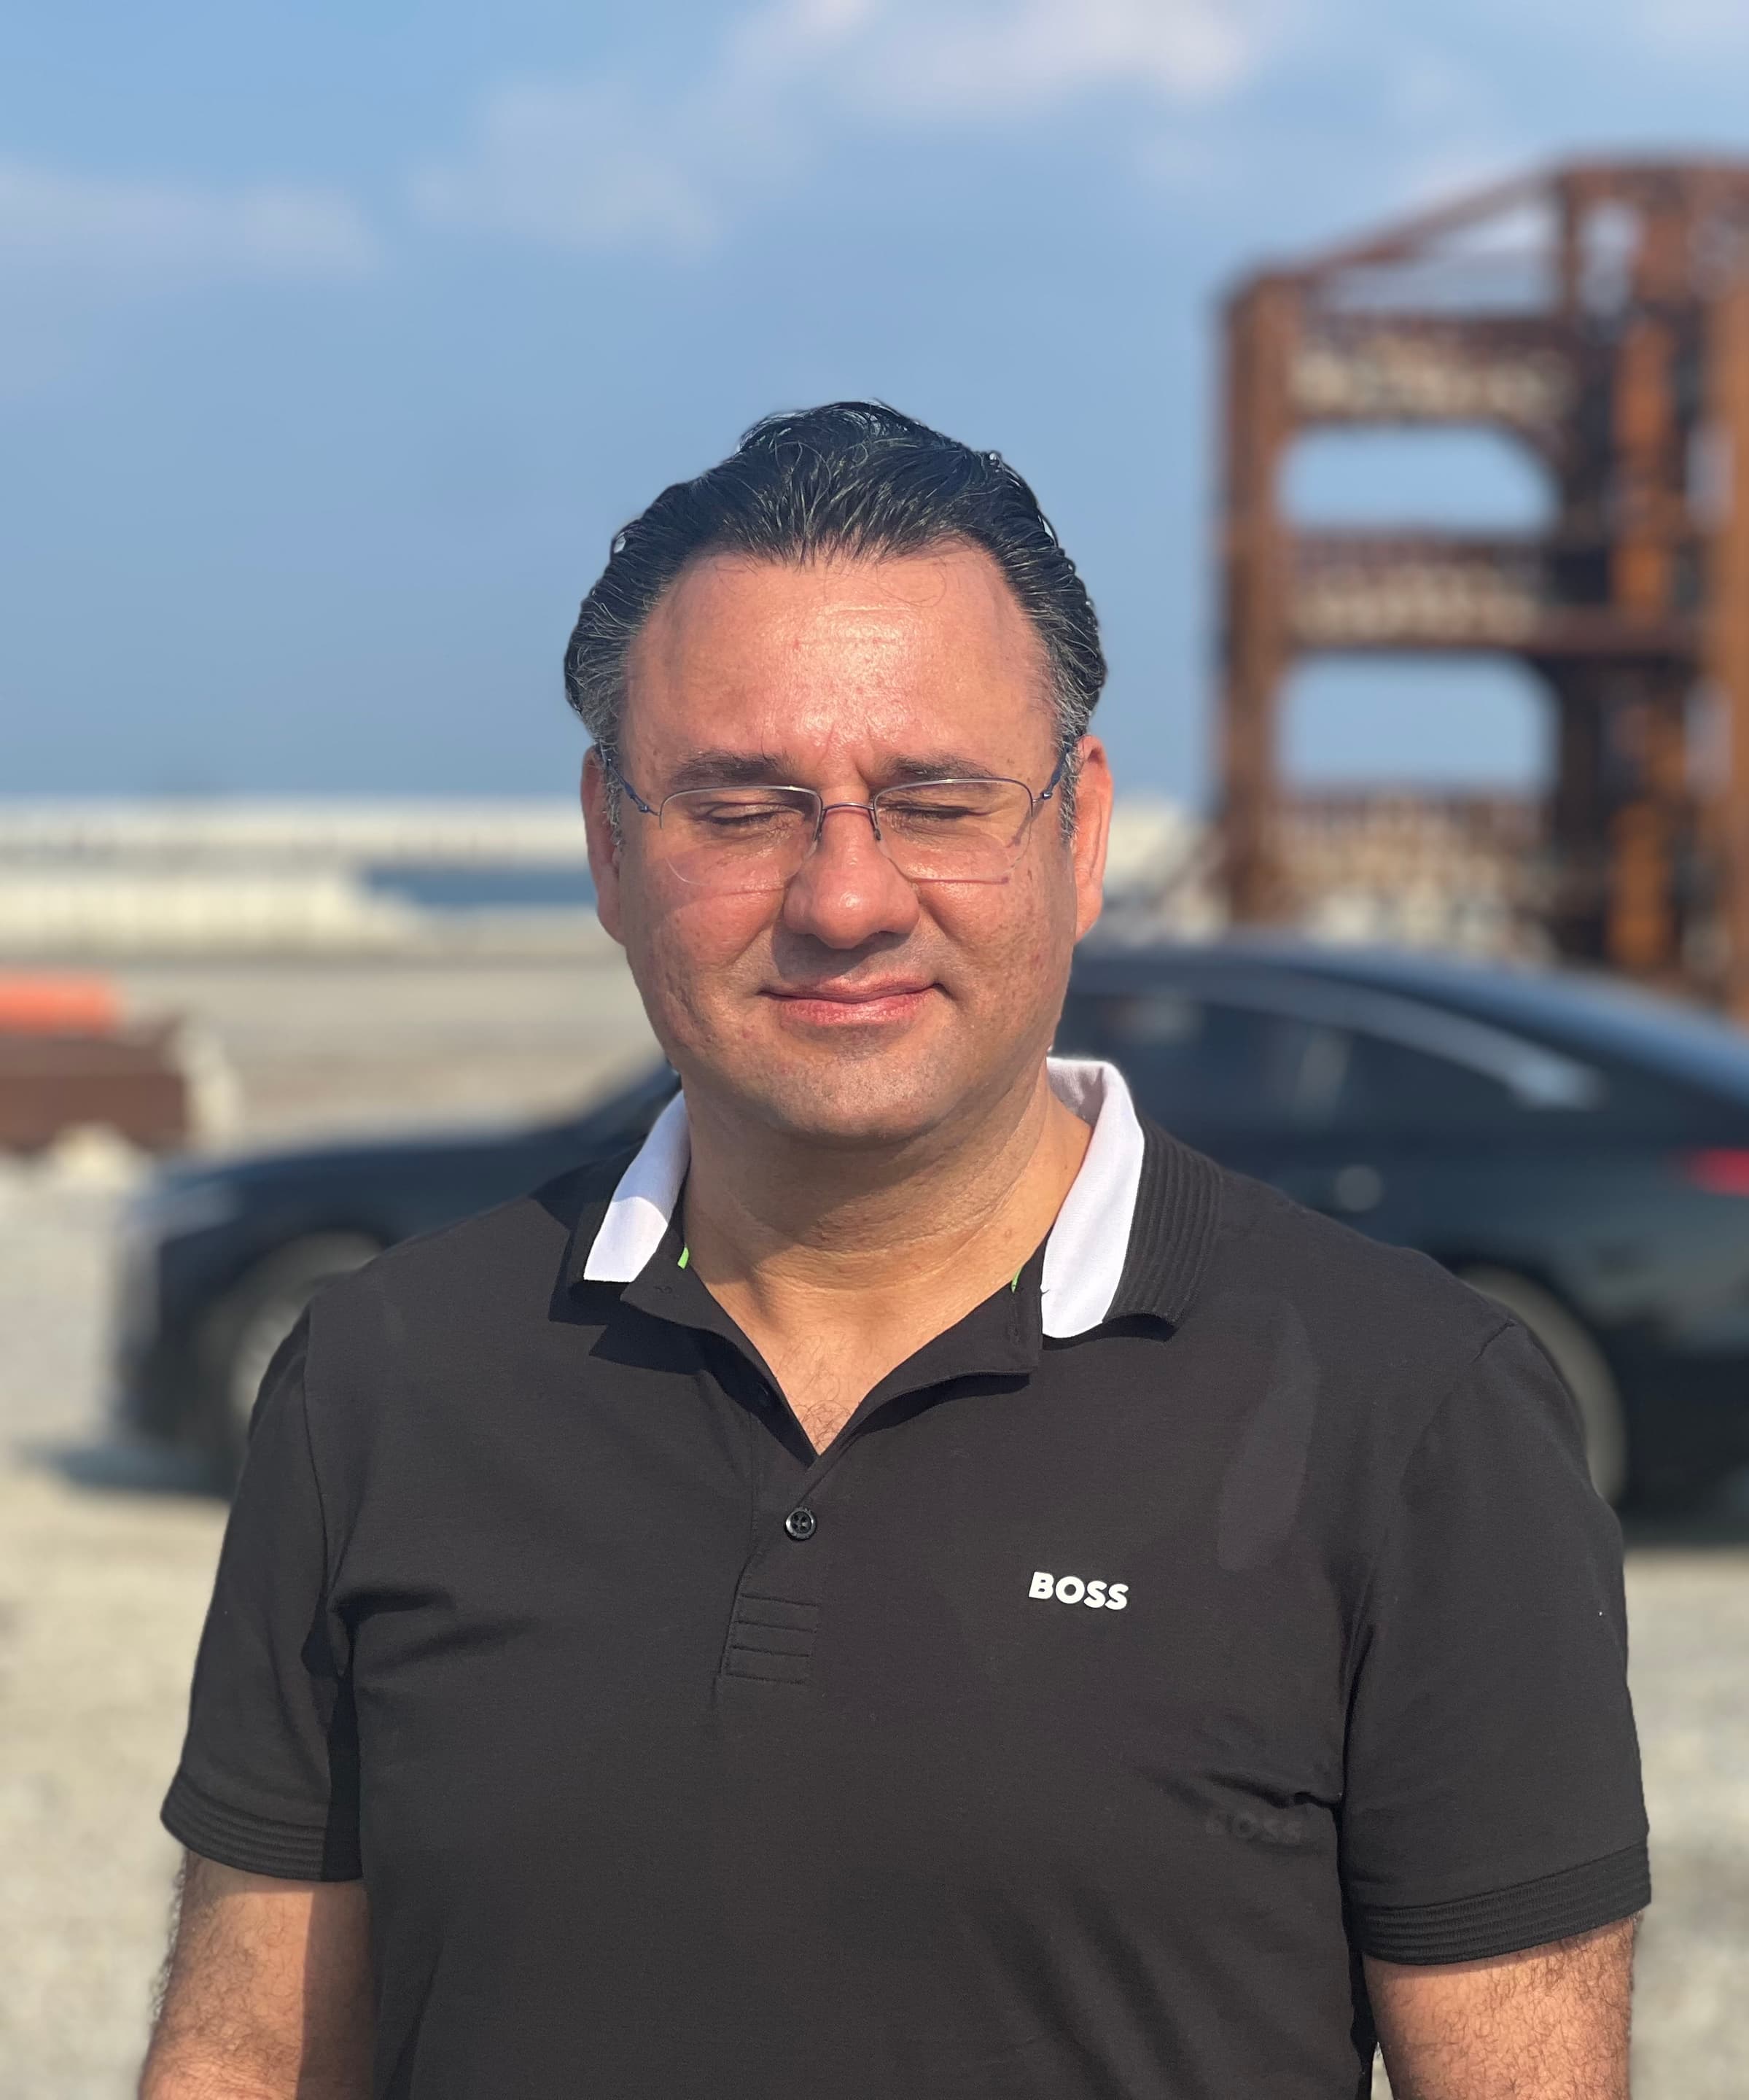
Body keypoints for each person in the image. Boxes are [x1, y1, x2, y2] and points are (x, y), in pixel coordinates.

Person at [141, 402, 1649, 2100]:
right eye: (741, 808)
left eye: (933, 801)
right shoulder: (386, 1377)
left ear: (1077, 835)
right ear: (608, 846)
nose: (845, 898)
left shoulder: (1412, 1412)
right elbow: (247, 2059)